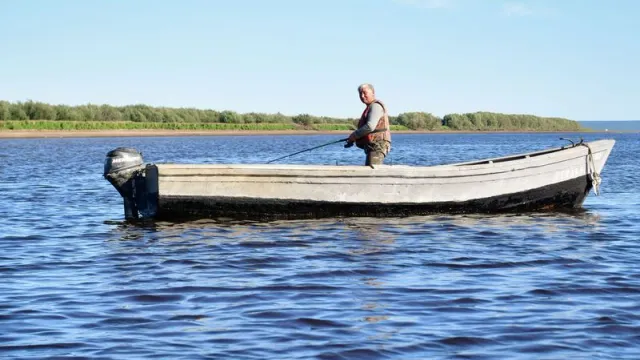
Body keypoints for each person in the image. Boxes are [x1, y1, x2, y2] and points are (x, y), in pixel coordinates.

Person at [344, 83, 391, 166]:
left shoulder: (375, 106)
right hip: (373, 146)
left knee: (372, 175)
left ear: (373, 92)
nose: (362, 96)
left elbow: (370, 126)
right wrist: (352, 139)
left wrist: (354, 135)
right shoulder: (370, 106)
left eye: (365, 93)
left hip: (378, 146)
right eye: (360, 93)